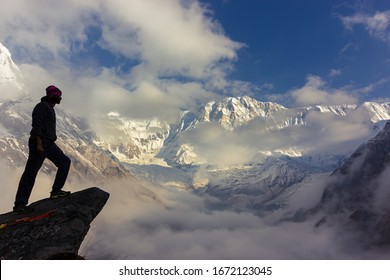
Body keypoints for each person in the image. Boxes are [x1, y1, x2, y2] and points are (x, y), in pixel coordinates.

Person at [13, 85, 71, 214]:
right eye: (58, 95)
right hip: (40, 142)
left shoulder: (49, 107)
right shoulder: (42, 107)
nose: (60, 97)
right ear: (52, 95)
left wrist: (54, 146)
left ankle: (56, 191)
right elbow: (36, 126)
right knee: (30, 173)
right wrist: (39, 143)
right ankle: (20, 204)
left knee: (65, 162)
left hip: (49, 143)